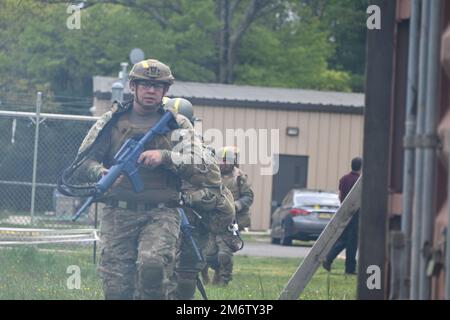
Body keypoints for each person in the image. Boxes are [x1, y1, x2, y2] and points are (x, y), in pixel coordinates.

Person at [61, 59, 224, 300]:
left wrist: (165, 157)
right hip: (118, 213)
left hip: (161, 213)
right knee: (116, 287)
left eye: (157, 87)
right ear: (132, 87)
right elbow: (81, 163)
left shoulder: (178, 125)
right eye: (145, 85)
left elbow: (203, 166)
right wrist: (101, 173)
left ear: (166, 91)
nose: (151, 91)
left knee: (153, 267)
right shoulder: (112, 121)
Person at [162, 97, 236, 299]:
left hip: (192, 218)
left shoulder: (201, 152)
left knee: (184, 271)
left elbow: (212, 192)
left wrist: (188, 198)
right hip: (168, 217)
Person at [204, 146, 254, 286]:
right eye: (221, 160)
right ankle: (218, 271)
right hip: (213, 220)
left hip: (231, 221)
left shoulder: (240, 177)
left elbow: (248, 197)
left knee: (224, 254)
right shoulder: (211, 175)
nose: (223, 163)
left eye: (227, 161)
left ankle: (224, 280)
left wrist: (237, 205)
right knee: (209, 255)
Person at [322, 157, 362, 275]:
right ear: (361, 167)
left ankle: (328, 259)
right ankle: (349, 268)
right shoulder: (359, 181)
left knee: (344, 239)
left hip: (344, 213)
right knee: (352, 242)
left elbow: (340, 196)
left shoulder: (344, 179)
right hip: (355, 214)